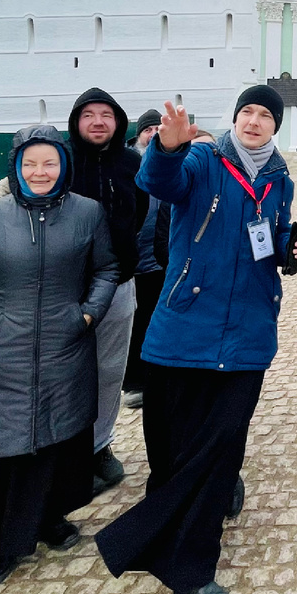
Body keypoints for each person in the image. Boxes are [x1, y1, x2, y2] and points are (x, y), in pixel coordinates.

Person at [96, 85, 297, 594]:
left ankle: (193, 570)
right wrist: (165, 150)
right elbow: (159, 184)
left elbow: (271, 240)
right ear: (235, 119)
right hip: (182, 331)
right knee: (169, 452)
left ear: (276, 126)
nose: (255, 121)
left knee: (219, 450)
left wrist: (291, 250)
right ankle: (167, 531)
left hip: (247, 335)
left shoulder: (280, 179)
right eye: (248, 112)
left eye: (266, 115)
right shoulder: (202, 158)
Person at [0, 126, 119, 585]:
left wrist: (88, 315)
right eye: (31, 163)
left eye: (50, 163)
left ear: (63, 166)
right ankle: (1, 542)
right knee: (4, 449)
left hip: (64, 350)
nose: (40, 172)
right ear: (17, 167)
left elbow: (106, 268)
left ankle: (51, 519)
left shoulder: (87, 214)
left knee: (57, 441)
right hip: (1, 358)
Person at [67, 88, 149, 495]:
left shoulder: (132, 162)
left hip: (117, 281)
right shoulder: (61, 161)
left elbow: (141, 210)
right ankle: (60, 450)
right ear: (75, 121)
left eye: (106, 115)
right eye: (88, 115)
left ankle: (99, 445)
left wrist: (115, 255)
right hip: (63, 288)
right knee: (59, 370)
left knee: (109, 369)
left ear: (118, 122)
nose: (98, 122)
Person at [123, 109, 172, 411]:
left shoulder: (172, 162)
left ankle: (157, 378)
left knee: (158, 319)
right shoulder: (128, 164)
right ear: (139, 134)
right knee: (135, 321)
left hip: (161, 257)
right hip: (133, 258)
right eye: (148, 129)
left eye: (158, 128)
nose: (153, 133)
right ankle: (134, 381)